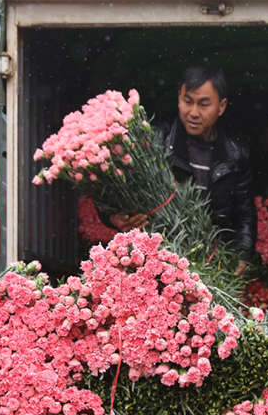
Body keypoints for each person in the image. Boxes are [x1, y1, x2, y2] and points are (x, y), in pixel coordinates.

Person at [108, 65, 256, 272]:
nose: (193, 112)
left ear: (221, 107)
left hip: (213, 260)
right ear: (179, 99)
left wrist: (242, 255)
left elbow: (245, 213)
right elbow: (114, 190)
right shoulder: (153, 141)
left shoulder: (235, 155)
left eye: (204, 105)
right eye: (188, 101)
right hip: (156, 259)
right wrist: (112, 217)